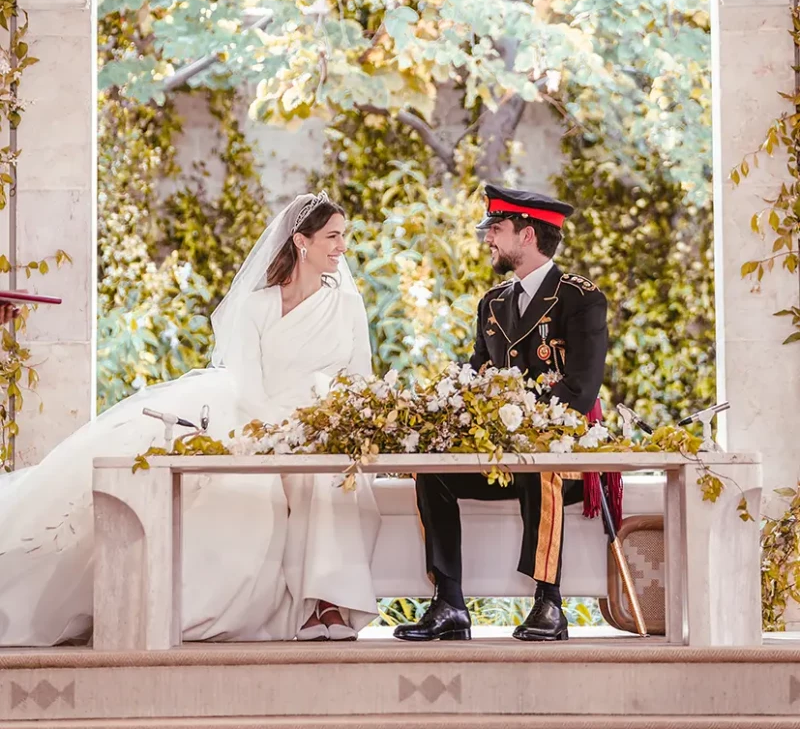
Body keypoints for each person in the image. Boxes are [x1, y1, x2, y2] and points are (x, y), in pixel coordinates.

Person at [0, 193, 380, 646]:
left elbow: (359, 378)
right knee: (249, 482)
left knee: (325, 475)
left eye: (344, 237)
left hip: (321, 425)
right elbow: (247, 383)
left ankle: (326, 604)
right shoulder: (257, 307)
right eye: (333, 236)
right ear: (301, 241)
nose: (342, 247)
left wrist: (328, 424)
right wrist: (280, 432)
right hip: (255, 419)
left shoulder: (347, 306)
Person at [394, 184, 608, 645]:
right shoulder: (492, 303)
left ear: (527, 235)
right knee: (432, 470)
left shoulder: (581, 298)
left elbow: (580, 388)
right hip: (503, 454)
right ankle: (449, 603)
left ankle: (549, 603)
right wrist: (436, 406)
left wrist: (525, 432)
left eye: (497, 228)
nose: (488, 237)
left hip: (562, 456)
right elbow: (477, 372)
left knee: (541, 466)